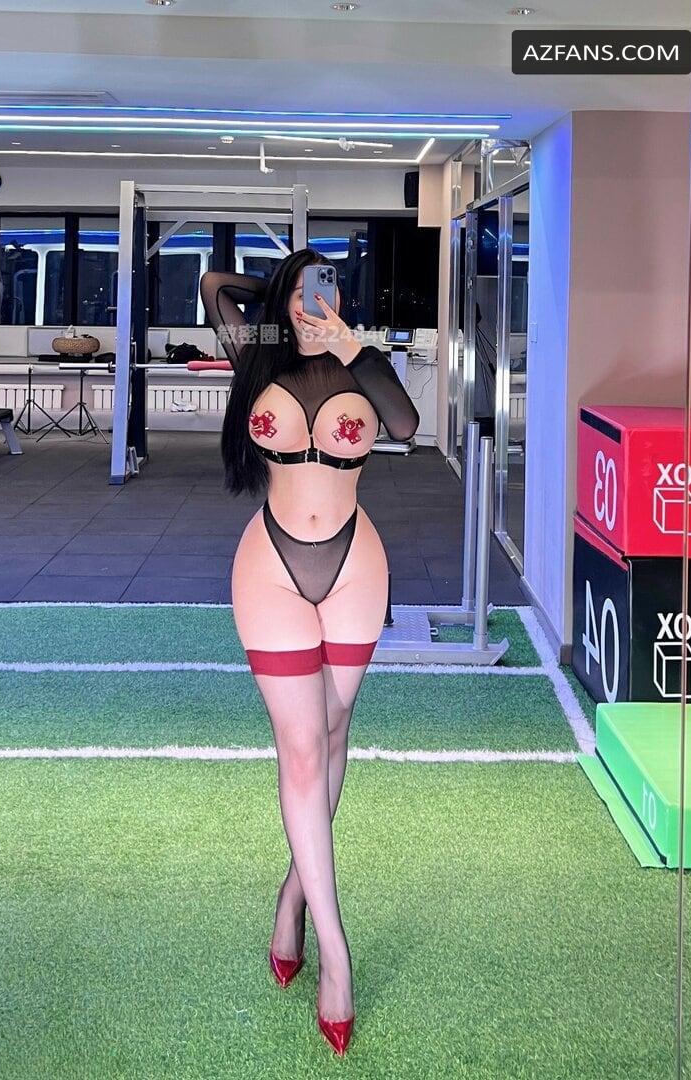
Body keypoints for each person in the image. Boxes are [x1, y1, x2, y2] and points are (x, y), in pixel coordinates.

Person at [202, 249, 419, 1056]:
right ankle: (337, 953)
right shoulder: (256, 350)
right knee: (301, 750)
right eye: (298, 290)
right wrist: (278, 296)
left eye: (323, 287)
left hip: (356, 564)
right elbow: (212, 286)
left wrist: (348, 343)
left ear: (341, 298)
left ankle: (291, 896)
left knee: (331, 731)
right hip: (271, 566)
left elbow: (405, 427)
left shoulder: (360, 364)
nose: (308, 301)